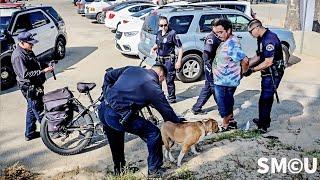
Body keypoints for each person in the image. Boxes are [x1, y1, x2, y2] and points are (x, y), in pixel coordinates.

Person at [98, 64, 184, 177]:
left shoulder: (132, 69)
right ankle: (154, 170)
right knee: (154, 133)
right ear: (161, 75)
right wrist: (178, 123)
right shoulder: (153, 87)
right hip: (117, 116)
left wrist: (107, 93)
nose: (161, 83)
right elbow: (167, 112)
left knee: (116, 140)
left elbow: (108, 76)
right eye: (162, 81)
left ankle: (119, 171)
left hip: (103, 109)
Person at [243, 19, 285, 133]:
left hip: (273, 73)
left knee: (265, 98)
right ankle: (264, 119)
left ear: (257, 28)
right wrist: (247, 65)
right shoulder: (261, 37)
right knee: (264, 97)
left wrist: (252, 70)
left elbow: (268, 62)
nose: (250, 34)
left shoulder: (269, 39)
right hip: (267, 72)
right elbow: (259, 56)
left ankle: (263, 126)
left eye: (250, 31)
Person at [11, 31, 54, 141]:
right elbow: (25, 74)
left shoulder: (27, 51)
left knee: (31, 109)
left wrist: (46, 64)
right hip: (29, 87)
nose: (32, 45)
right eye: (30, 43)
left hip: (35, 84)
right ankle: (51, 131)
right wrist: (43, 71)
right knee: (38, 109)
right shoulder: (18, 56)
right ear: (22, 42)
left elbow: (35, 63)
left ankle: (29, 133)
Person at [212, 19, 249, 131]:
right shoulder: (227, 40)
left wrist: (243, 72)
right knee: (227, 102)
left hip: (225, 81)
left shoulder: (232, 44)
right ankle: (231, 122)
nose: (218, 35)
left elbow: (245, 60)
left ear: (228, 30)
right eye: (216, 33)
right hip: (222, 80)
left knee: (223, 105)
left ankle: (225, 125)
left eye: (220, 32)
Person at [150, 16, 183, 104]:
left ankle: (171, 98)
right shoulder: (159, 33)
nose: (163, 27)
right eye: (161, 25)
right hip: (159, 60)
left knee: (169, 80)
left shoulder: (172, 33)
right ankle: (159, 98)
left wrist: (179, 61)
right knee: (157, 79)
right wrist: (153, 48)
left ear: (168, 24)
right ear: (159, 26)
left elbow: (180, 48)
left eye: (165, 25)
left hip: (169, 60)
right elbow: (157, 44)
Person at [191, 21, 221, 115]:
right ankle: (222, 108)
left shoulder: (217, 36)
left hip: (215, 67)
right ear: (213, 27)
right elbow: (206, 53)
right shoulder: (211, 38)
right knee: (215, 88)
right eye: (217, 26)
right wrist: (209, 66)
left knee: (208, 88)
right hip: (211, 67)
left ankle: (196, 107)